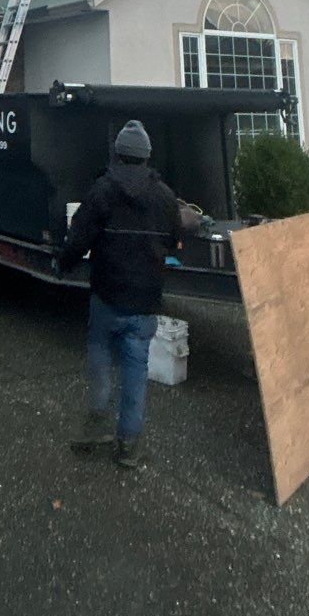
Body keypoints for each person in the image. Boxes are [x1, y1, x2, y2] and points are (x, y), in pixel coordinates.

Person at [59, 119, 182, 470]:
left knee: (99, 354)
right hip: (144, 302)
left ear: (118, 154)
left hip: (107, 295)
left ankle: (95, 424)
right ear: (146, 157)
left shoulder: (101, 191)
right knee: (135, 368)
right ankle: (128, 444)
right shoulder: (166, 197)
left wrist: (63, 263)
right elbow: (173, 239)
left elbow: (78, 238)